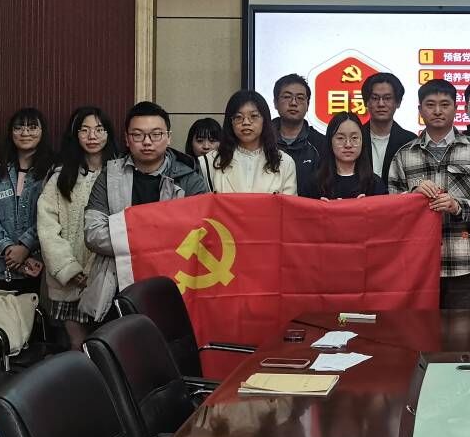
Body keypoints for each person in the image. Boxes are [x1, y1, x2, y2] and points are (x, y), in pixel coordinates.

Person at [82, 101, 209, 320]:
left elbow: (201, 235)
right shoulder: (109, 176)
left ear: (168, 137)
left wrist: (132, 240)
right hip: (116, 287)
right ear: (127, 139)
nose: (147, 142)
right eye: (138, 135)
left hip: (173, 287)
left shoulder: (190, 180)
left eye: (156, 134)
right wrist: (155, 241)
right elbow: (93, 233)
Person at [388, 79, 470, 310]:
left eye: (445, 104)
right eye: (430, 105)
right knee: (419, 328)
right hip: (417, 264)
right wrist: (413, 197)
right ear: (420, 110)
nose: (437, 111)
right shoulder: (404, 155)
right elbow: (391, 209)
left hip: (464, 262)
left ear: (456, 108)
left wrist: (458, 206)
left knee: (461, 330)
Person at [37, 106, 118, 349]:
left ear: (108, 134)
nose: (92, 136)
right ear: (75, 135)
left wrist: (94, 273)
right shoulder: (60, 177)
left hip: (107, 276)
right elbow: (47, 229)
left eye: (99, 130)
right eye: (85, 130)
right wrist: (69, 270)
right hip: (69, 279)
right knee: (77, 344)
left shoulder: (119, 174)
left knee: (108, 344)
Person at [0, 108, 52, 294]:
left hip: (38, 269)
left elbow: (51, 218)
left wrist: (25, 247)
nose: (25, 133)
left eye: (32, 127)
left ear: (42, 132)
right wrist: (9, 249)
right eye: (19, 128)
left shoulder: (52, 173)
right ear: (11, 133)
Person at [207, 90, 298, 194]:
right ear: (230, 122)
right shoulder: (209, 161)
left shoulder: (285, 163)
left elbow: (288, 204)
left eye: (254, 116)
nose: (246, 122)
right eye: (238, 117)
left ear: (265, 120)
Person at [308, 112, 387, 199]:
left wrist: (366, 205)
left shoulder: (375, 184)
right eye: (340, 138)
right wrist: (320, 206)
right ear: (330, 141)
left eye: (354, 138)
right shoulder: (315, 183)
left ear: (362, 141)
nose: (348, 145)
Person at [272, 73, 327, 196]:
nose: (293, 103)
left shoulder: (321, 143)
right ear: (275, 102)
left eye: (300, 98)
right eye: (287, 97)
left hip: (309, 207)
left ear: (308, 104)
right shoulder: (262, 140)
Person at [360, 71, 415, 178]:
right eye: (375, 98)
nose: (381, 104)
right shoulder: (354, 138)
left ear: (398, 102)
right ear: (366, 102)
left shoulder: (411, 141)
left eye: (387, 98)